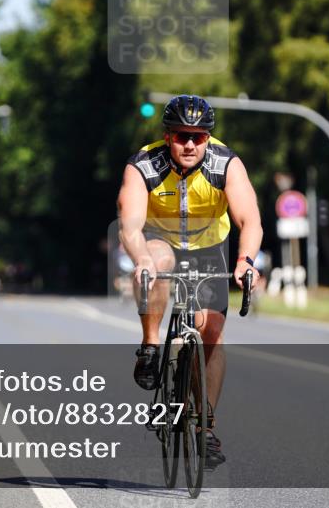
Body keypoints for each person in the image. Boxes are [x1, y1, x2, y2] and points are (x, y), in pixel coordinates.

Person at [117, 94, 262, 468]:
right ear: (168, 136)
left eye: (199, 137)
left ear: (208, 138)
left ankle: (206, 425)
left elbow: (250, 219)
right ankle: (150, 346)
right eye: (182, 136)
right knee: (158, 261)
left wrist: (246, 261)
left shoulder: (225, 163)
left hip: (208, 247)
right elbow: (130, 223)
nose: (190, 144)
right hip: (159, 241)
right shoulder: (144, 164)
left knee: (211, 331)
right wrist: (140, 258)